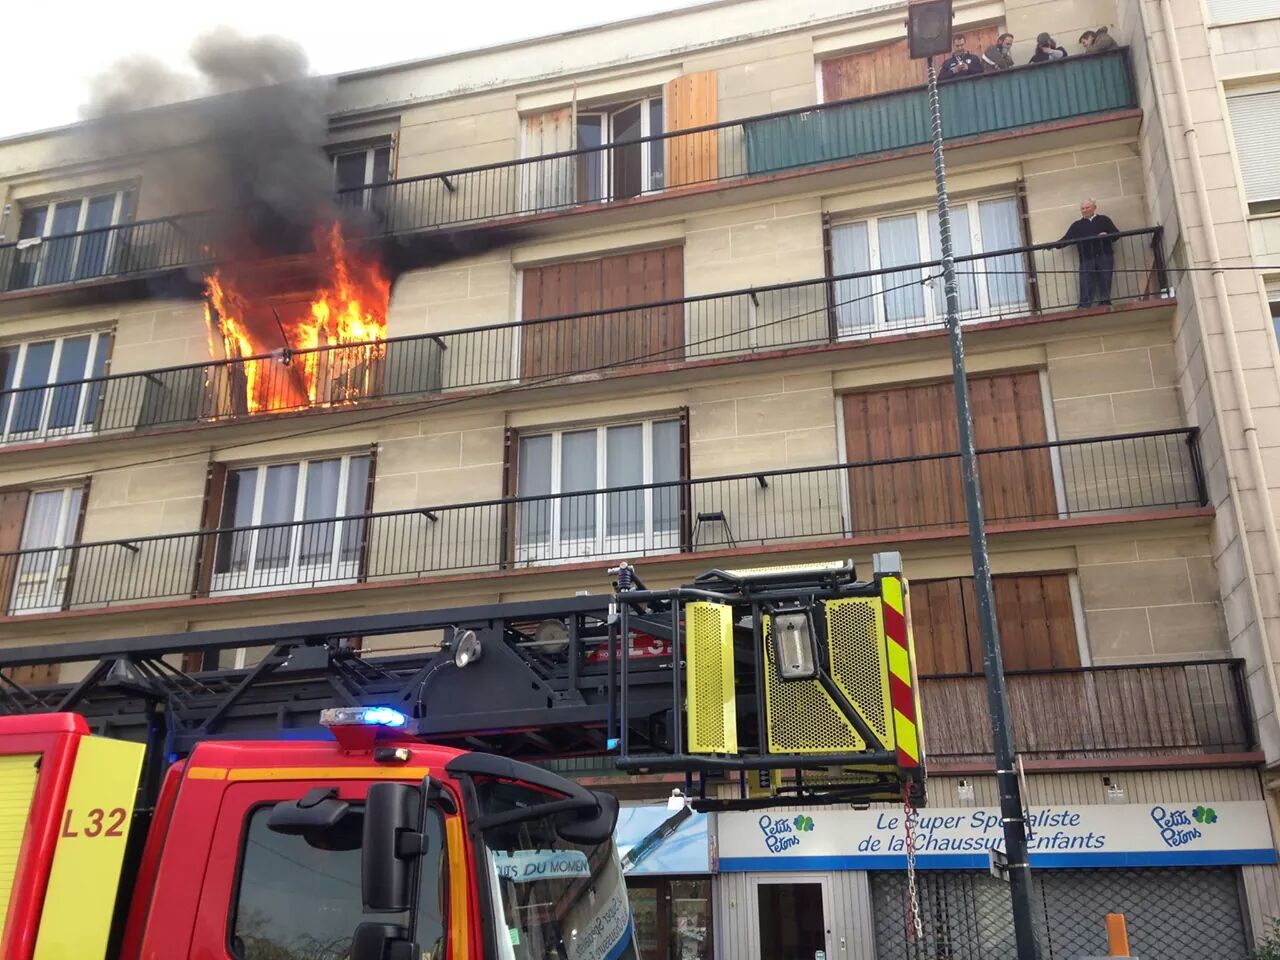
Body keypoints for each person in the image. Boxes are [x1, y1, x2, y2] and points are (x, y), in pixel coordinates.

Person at [1058, 199, 1119, 308]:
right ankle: (1084, 306)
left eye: (1087, 208)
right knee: (1086, 282)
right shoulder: (1077, 225)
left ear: (1094, 208)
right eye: (1083, 208)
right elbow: (1066, 239)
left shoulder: (1104, 220)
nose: (1085, 210)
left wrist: (1107, 235)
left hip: (1104, 255)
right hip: (1087, 258)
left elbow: (1116, 235)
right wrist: (1052, 245)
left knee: (1105, 279)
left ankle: (1105, 303)